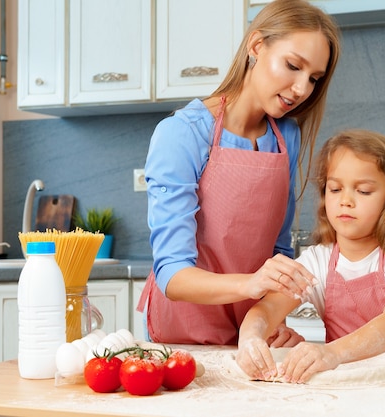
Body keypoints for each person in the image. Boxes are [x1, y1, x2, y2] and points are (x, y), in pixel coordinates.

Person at [136, 0, 341, 346]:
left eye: (314, 79)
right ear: (257, 46)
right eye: (293, 66)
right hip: (180, 333)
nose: (303, 89)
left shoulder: (286, 137)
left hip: (248, 330)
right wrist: (251, 284)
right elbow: (171, 275)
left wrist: (270, 319)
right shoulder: (183, 133)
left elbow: (277, 251)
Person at [236, 129, 385, 383]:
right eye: (336, 189)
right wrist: (251, 339)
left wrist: (331, 353)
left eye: (363, 191)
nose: (346, 201)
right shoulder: (317, 261)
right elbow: (268, 308)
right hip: (350, 386)